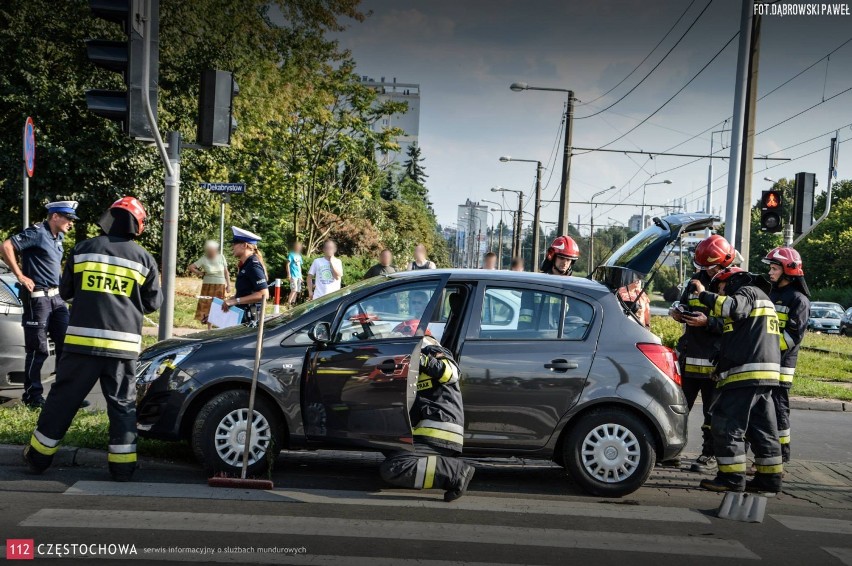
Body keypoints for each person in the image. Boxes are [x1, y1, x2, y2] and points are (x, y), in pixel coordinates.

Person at [23, 197, 162, 481]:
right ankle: (123, 469)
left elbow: (66, 291)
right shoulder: (144, 259)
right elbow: (152, 303)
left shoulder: (83, 249)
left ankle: (38, 458)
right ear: (139, 226)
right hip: (122, 349)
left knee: (62, 400)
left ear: (108, 218)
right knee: (122, 406)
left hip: (81, 345)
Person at [692, 267, 784, 494]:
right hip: (765, 375)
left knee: (726, 425)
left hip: (745, 374)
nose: (722, 293)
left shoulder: (747, 292)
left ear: (731, 281)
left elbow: (731, 307)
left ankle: (731, 479)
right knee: (762, 429)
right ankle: (769, 480)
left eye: (721, 287)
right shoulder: (763, 299)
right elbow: (740, 336)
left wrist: (703, 294)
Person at [0, 201, 78, 409]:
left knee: (66, 346)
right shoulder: (37, 232)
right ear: (55, 217)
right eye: (68, 219)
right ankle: (32, 397)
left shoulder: (58, 236)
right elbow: (6, 246)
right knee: (38, 349)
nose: (71, 223)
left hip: (57, 299)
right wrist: (20, 275)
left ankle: (63, 396)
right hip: (39, 299)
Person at [379, 335, 475, 502]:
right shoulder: (418, 363)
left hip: (439, 433)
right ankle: (436, 465)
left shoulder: (432, 350)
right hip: (428, 432)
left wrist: (419, 358)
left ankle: (454, 472)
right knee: (387, 444)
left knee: (394, 468)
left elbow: (451, 373)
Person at [671, 234, 735, 473]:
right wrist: (678, 312)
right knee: (678, 409)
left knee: (712, 414)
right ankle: (673, 452)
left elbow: (735, 322)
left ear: (724, 263)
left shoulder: (732, 284)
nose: (706, 272)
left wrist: (708, 323)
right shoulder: (695, 281)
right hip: (689, 358)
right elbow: (683, 304)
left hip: (714, 363)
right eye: (703, 267)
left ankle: (708, 454)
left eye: (711, 267)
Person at [762, 246, 811, 464]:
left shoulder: (799, 300)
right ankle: (765, 455)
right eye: (771, 268)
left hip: (781, 366)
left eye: (774, 268)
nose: (770, 273)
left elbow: (793, 337)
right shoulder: (770, 294)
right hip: (764, 362)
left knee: (778, 410)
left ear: (788, 270)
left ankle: (782, 455)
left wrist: (765, 349)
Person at [222, 227, 269, 324]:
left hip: (251, 318)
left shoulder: (253, 265)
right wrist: (233, 298)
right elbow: (247, 292)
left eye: (235, 244)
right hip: (244, 316)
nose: (232, 247)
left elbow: (264, 294)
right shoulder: (246, 264)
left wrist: (235, 301)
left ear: (244, 245)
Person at [188, 240, 230, 329]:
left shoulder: (221, 257)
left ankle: (219, 325)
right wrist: (201, 273)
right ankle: (209, 327)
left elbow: (226, 272)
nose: (211, 252)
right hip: (208, 285)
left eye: (213, 250)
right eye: (209, 250)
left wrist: (228, 285)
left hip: (220, 285)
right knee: (207, 306)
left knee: (219, 305)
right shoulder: (204, 259)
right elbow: (191, 267)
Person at [285, 241, 303, 306]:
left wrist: (301, 276)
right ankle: (288, 303)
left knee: (297, 290)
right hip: (293, 275)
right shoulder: (291, 254)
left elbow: (299, 266)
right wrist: (288, 274)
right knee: (294, 289)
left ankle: (293, 303)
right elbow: (287, 264)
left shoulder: (299, 256)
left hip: (298, 276)